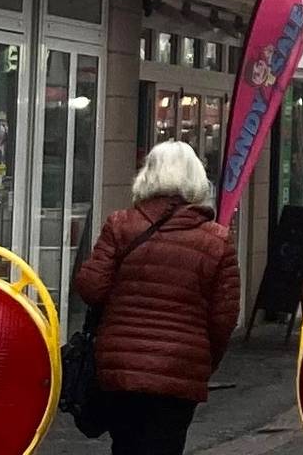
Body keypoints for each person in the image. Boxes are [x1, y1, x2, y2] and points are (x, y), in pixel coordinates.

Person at [75, 141, 243, 455]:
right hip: (180, 366)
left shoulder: (121, 225)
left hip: (121, 363)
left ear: (148, 175)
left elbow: (91, 288)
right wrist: (203, 363)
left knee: (125, 446)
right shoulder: (217, 240)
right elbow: (224, 319)